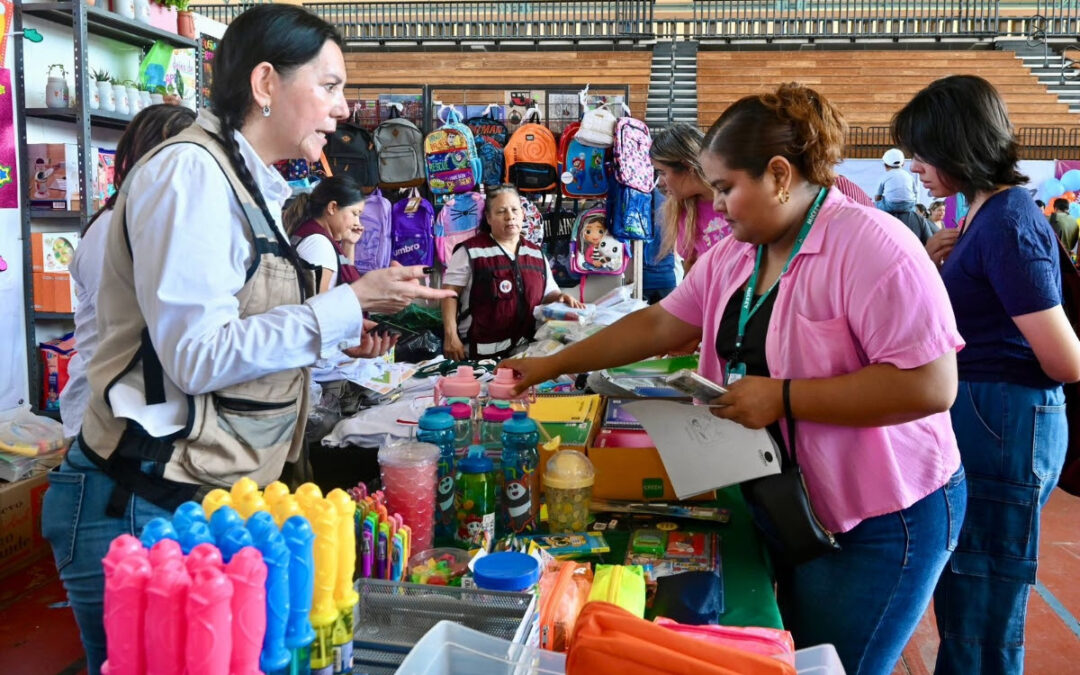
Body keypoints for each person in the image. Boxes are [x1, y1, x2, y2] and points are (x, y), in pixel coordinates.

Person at [40, 7, 455, 674]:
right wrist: (347, 302)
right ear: (266, 83)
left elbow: (239, 329)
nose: (342, 109)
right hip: (139, 507)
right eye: (328, 85)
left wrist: (341, 331)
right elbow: (196, 354)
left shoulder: (248, 184)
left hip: (198, 502)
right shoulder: (191, 174)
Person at [503, 83, 966, 675]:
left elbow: (929, 387)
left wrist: (785, 397)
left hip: (882, 515)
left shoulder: (875, 246)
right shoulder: (741, 252)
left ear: (777, 174)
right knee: (792, 652)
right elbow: (660, 324)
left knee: (841, 663)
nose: (715, 205)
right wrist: (552, 364)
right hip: (793, 498)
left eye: (726, 188)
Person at [898, 75, 1080, 675]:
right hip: (984, 419)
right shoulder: (983, 215)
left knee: (983, 599)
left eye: (924, 153)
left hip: (1004, 422)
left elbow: (1064, 359)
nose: (915, 166)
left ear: (958, 145)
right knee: (966, 592)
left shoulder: (1008, 222)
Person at [58, 105, 197, 440]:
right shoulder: (111, 230)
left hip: (142, 409)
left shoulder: (154, 222)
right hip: (106, 415)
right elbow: (130, 326)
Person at [441, 184, 583, 360]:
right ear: (489, 217)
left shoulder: (536, 253)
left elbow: (547, 292)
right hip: (477, 354)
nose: (510, 217)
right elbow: (449, 294)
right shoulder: (470, 251)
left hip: (523, 352)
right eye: (501, 211)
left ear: (522, 214)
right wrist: (450, 335)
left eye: (515, 210)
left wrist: (560, 297)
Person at [650, 122, 731, 273]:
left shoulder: (735, 196)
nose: (660, 182)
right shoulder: (682, 211)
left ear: (687, 166)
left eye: (662, 172)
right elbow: (691, 270)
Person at [285, 174, 366, 292]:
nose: (357, 223)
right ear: (332, 207)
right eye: (354, 213)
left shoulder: (313, 233)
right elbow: (318, 305)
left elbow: (346, 279)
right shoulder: (319, 245)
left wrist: (349, 243)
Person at [875, 147, 918, 213]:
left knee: (876, 204)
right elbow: (915, 192)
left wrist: (877, 204)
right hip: (908, 205)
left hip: (891, 205)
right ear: (903, 164)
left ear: (885, 165)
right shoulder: (909, 176)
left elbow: (877, 196)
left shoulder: (885, 176)